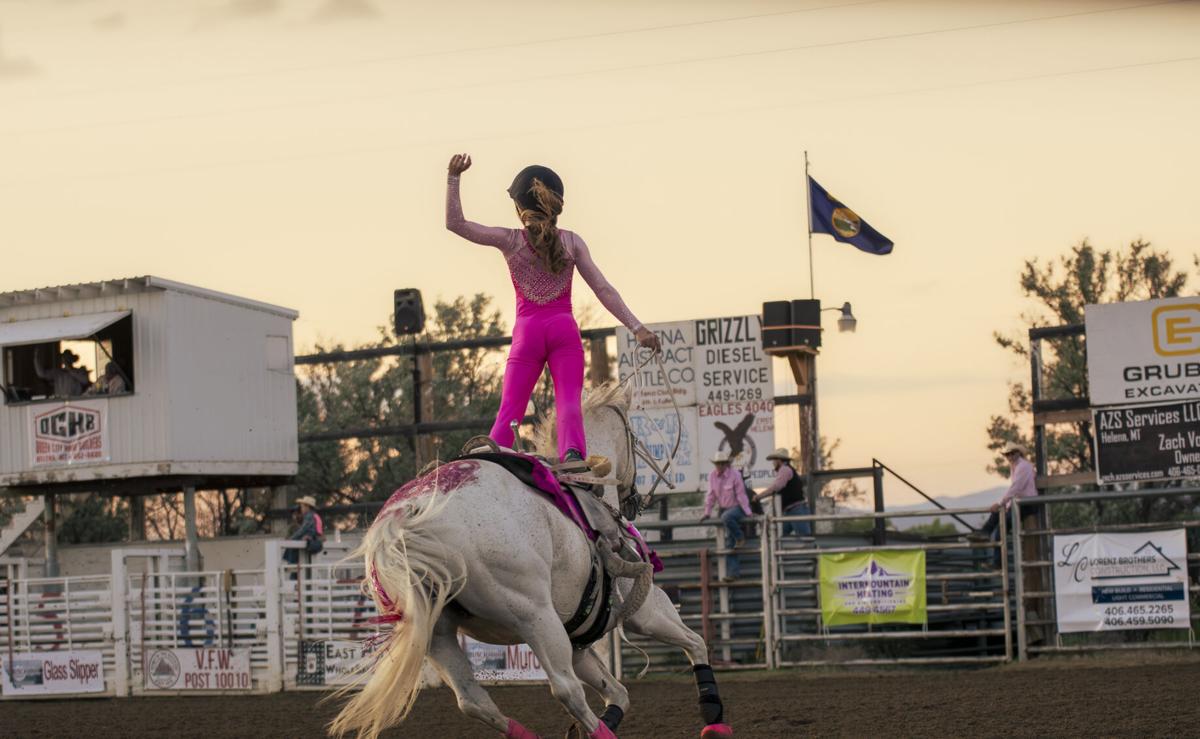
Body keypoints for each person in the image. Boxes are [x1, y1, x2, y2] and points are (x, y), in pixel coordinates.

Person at [445, 154, 660, 469]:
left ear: (520, 209)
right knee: (569, 403)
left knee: (510, 410)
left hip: (527, 334)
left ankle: (492, 460)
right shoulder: (572, 242)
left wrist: (453, 178)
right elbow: (604, 290)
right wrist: (637, 328)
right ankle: (573, 454)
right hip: (563, 331)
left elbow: (456, 224)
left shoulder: (509, 240)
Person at [970, 442, 1038, 565]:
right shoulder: (1018, 466)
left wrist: (1002, 503)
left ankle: (988, 541)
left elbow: (1016, 487)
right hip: (1021, 503)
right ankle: (986, 534)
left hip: (1026, 503)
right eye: (1007, 454)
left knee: (1001, 528)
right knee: (1000, 524)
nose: (1009, 456)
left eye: (1012, 453)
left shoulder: (1022, 466)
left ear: (1018, 453)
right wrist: (1005, 505)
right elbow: (1017, 488)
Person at [700, 451, 753, 582]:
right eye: (718, 464)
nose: (720, 466)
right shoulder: (712, 476)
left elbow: (741, 494)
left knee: (726, 518)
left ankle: (740, 537)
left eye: (722, 463)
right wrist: (707, 512)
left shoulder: (735, 475)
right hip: (724, 509)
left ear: (726, 464)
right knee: (730, 541)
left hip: (736, 508)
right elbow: (711, 496)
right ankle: (733, 573)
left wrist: (748, 512)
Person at [754, 448, 811, 538]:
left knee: (804, 538)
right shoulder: (788, 469)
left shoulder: (784, 469)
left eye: (774, 460)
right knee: (779, 536)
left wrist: (758, 497)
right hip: (792, 510)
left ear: (779, 460)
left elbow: (776, 487)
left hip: (795, 510)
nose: (773, 463)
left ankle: (813, 550)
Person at [284, 496, 324, 566]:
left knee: (292, 544)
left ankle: (291, 564)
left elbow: (303, 530)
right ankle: (291, 563)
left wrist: (292, 538)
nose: (301, 509)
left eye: (302, 507)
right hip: (314, 538)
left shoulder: (309, 516)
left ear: (307, 507)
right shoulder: (315, 515)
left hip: (311, 537)